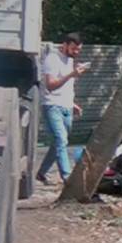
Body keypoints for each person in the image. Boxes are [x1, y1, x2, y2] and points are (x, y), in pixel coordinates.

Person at [36, 32, 89, 183]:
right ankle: (67, 177)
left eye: (78, 49)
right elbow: (51, 86)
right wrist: (71, 75)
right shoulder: (52, 59)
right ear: (64, 44)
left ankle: (41, 173)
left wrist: (73, 104)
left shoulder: (70, 60)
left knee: (59, 143)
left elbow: (65, 88)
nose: (76, 52)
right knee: (61, 140)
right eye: (73, 49)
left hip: (67, 107)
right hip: (52, 105)